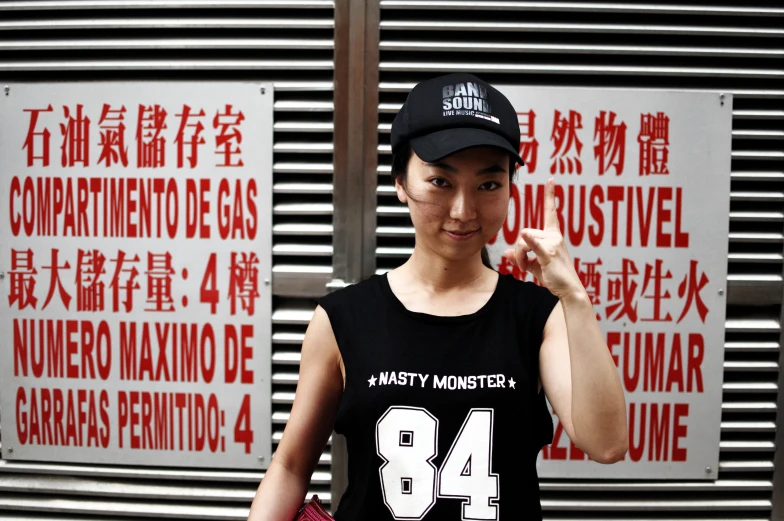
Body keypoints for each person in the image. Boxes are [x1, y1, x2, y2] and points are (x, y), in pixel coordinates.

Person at [247, 72, 627, 521]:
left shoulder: (537, 317)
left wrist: (574, 298)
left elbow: (606, 444)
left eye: (488, 185)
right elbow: (291, 466)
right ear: (401, 183)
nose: (464, 211)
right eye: (441, 182)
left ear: (510, 187)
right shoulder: (343, 318)